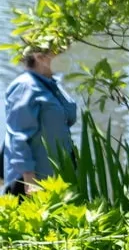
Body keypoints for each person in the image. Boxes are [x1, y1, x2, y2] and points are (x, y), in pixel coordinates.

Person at [4, 45, 78, 196]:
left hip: (55, 175)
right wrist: (29, 180)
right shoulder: (25, 86)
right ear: (39, 57)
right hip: (33, 180)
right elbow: (18, 136)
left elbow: (68, 117)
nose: (64, 57)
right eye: (58, 52)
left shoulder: (51, 83)